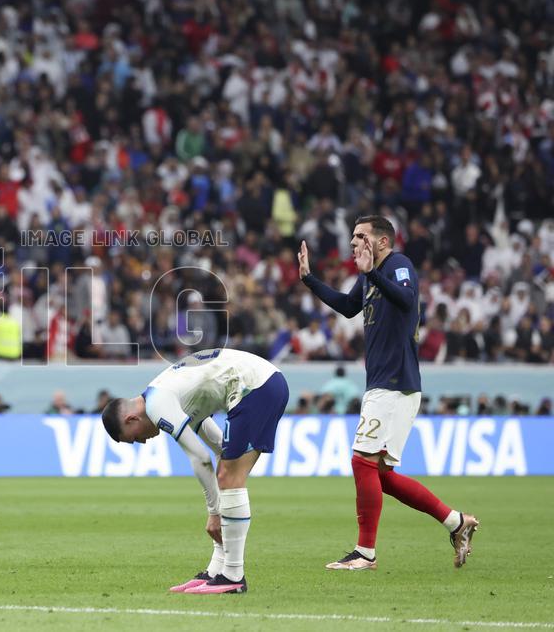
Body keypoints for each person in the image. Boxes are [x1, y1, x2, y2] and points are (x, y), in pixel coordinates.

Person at [299, 215, 478, 571]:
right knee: (379, 475)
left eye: (360, 236)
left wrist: (372, 274)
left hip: (394, 383)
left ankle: (365, 553)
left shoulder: (398, 265)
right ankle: (456, 522)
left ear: (382, 241)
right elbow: (348, 307)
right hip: (386, 384)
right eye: (352, 237)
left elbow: (407, 299)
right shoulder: (370, 275)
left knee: (361, 462)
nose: (353, 242)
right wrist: (309, 279)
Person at [101, 347, 290, 594]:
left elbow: (200, 458)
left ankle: (233, 576)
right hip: (264, 382)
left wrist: (214, 513)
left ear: (131, 420)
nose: (142, 442)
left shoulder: (157, 405)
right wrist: (219, 506)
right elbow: (218, 446)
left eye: (133, 438)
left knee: (228, 477)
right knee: (226, 473)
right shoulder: (170, 393)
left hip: (256, 387)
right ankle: (217, 571)